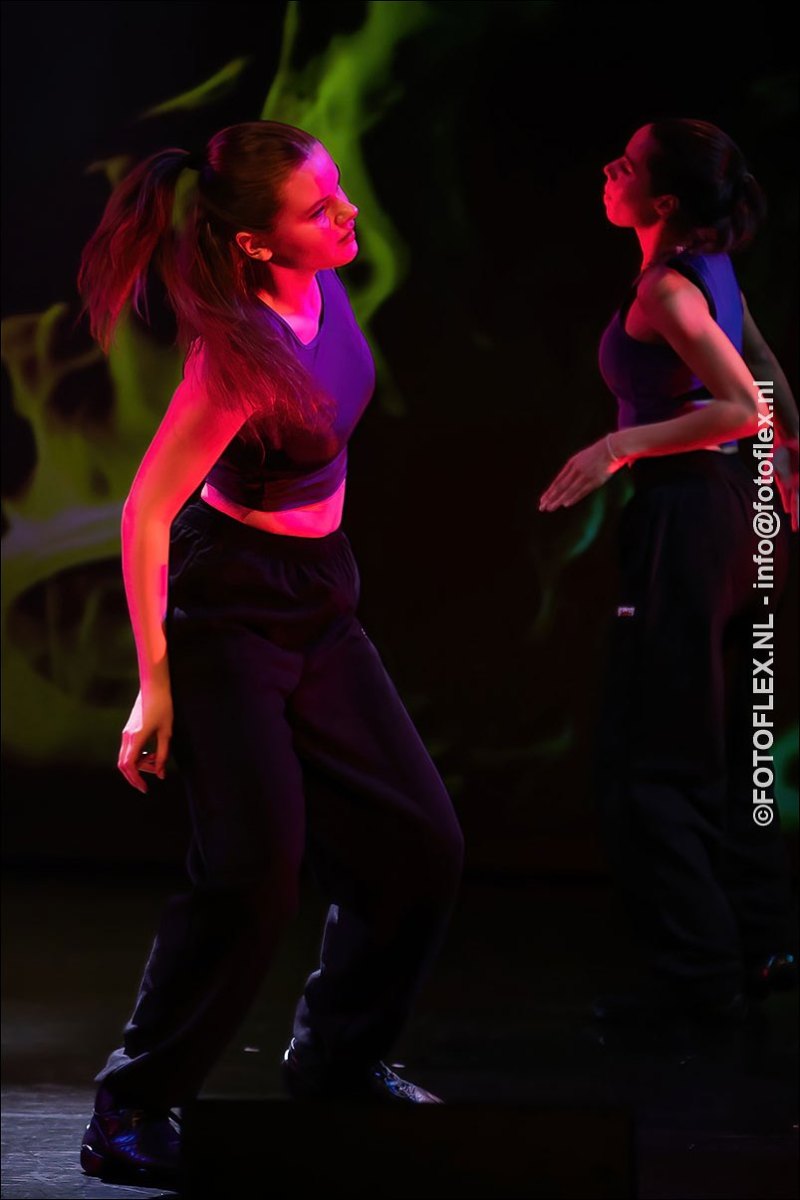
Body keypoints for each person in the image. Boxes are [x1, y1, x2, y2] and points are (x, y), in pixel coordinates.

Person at [76, 120, 464, 1186]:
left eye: (336, 191)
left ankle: (337, 1058)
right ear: (255, 243)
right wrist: (154, 686)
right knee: (254, 873)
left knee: (419, 843)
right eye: (318, 208)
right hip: (228, 609)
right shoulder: (233, 357)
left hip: (318, 595)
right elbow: (147, 513)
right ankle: (130, 1105)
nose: (346, 213)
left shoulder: (323, 283)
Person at [540, 119, 798, 1026]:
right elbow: (763, 375)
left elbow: (737, 403)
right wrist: (789, 465)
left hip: (690, 518)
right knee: (735, 741)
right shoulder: (708, 266)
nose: (611, 166)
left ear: (664, 201)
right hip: (734, 516)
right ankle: (760, 942)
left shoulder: (667, 286)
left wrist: (617, 446)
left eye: (632, 163)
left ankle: (698, 974)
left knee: (658, 753)